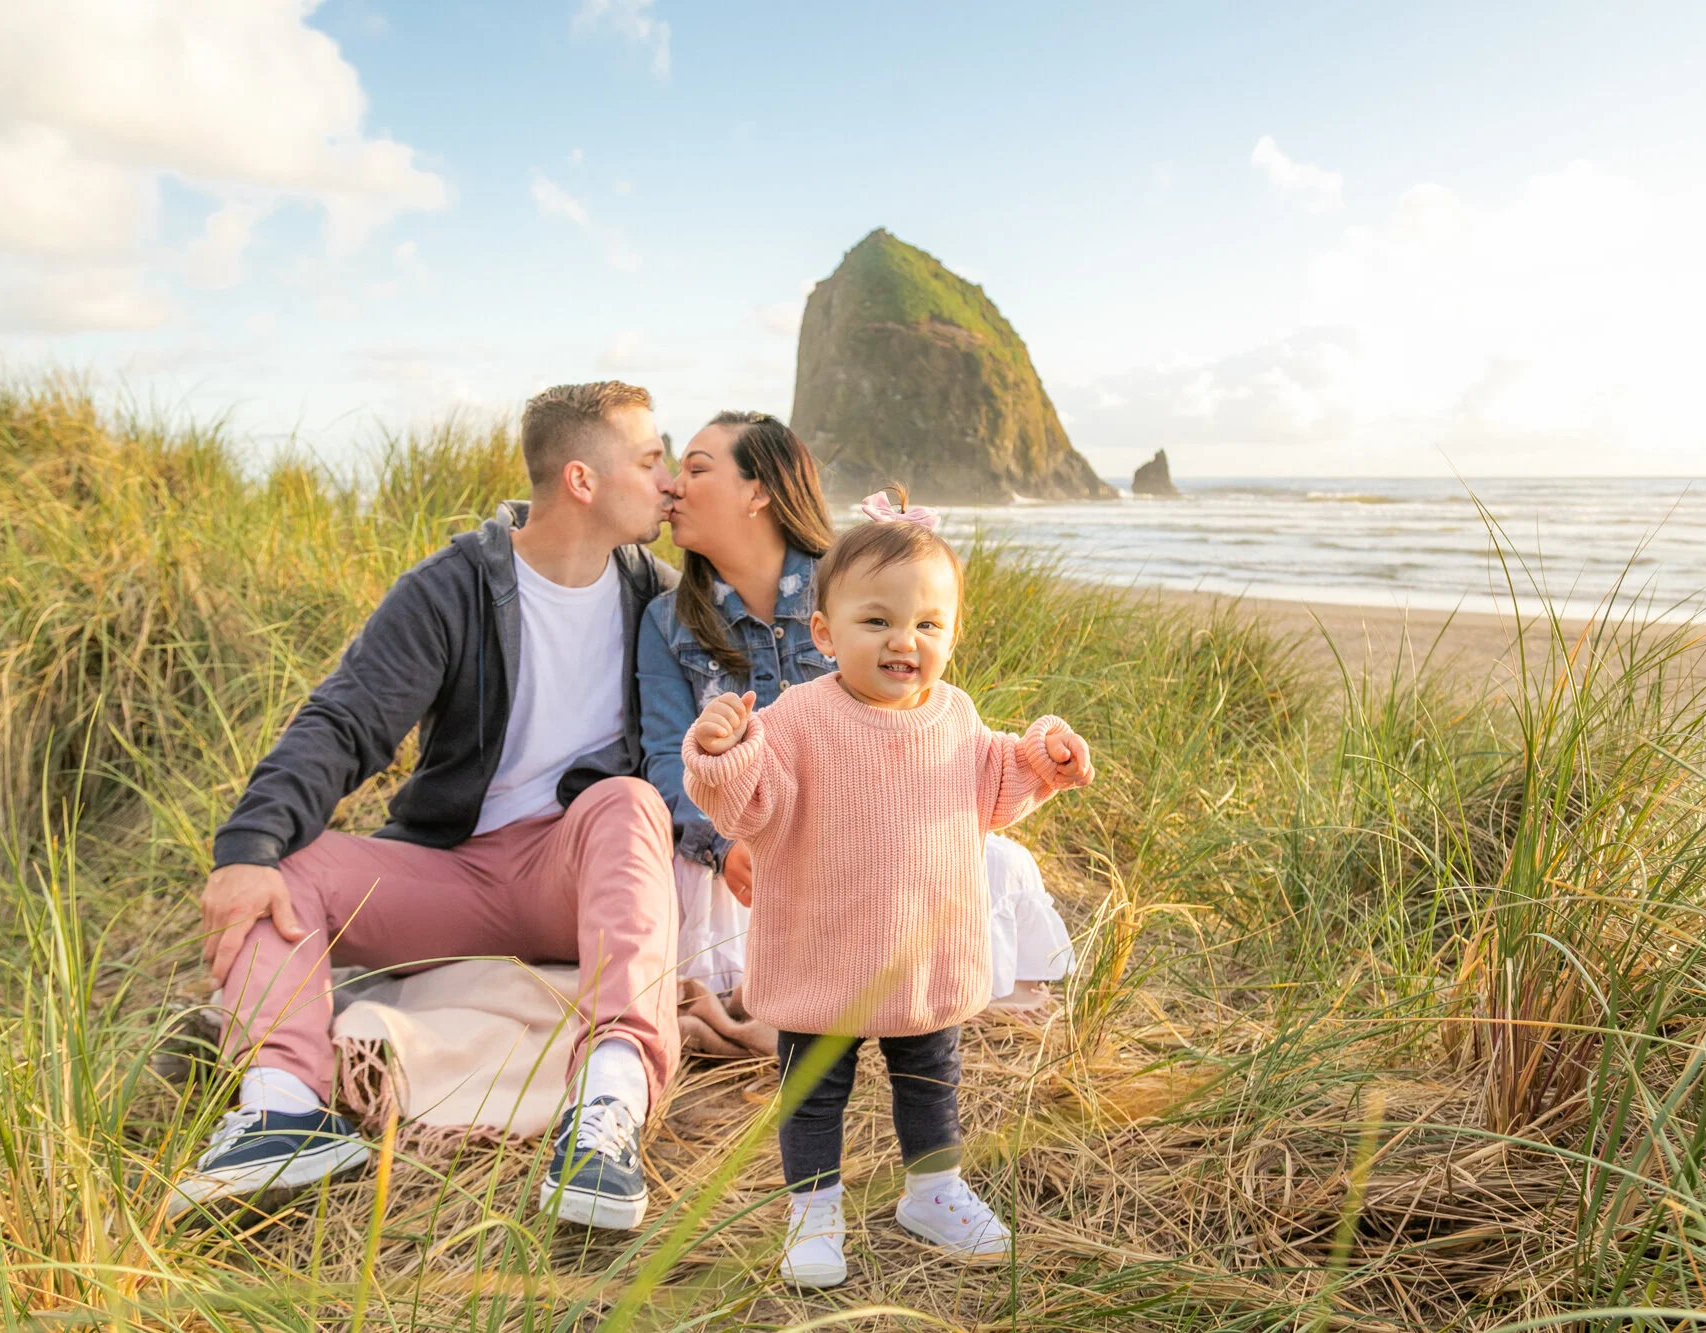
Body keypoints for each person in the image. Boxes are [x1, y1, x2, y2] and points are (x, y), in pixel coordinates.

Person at [171, 381, 682, 1232]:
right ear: (583, 479)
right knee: (284, 873)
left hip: (574, 870)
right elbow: (346, 721)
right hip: (454, 872)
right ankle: (283, 1110)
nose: (668, 481)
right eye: (651, 460)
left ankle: (606, 1111)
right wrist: (247, 847)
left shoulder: (659, 599)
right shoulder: (453, 588)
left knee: (626, 803)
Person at [681, 490, 1096, 1288]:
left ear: (953, 635)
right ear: (825, 633)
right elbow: (746, 805)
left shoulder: (956, 716)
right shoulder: (798, 719)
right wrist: (722, 753)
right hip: (822, 952)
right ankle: (813, 1211)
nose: (904, 640)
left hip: (922, 955)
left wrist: (1045, 756)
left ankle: (933, 1191)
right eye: (876, 621)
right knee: (812, 1092)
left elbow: (997, 785)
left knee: (932, 1079)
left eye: (927, 624)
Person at [638, 413, 1076, 1045]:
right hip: (741, 841)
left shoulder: (859, 580)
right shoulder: (667, 619)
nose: (673, 486)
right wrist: (724, 845)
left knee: (980, 865)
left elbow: (928, 726)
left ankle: (912, 997)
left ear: (759, 491)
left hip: (869, 838)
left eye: (695, 469)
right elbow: (664, 756)